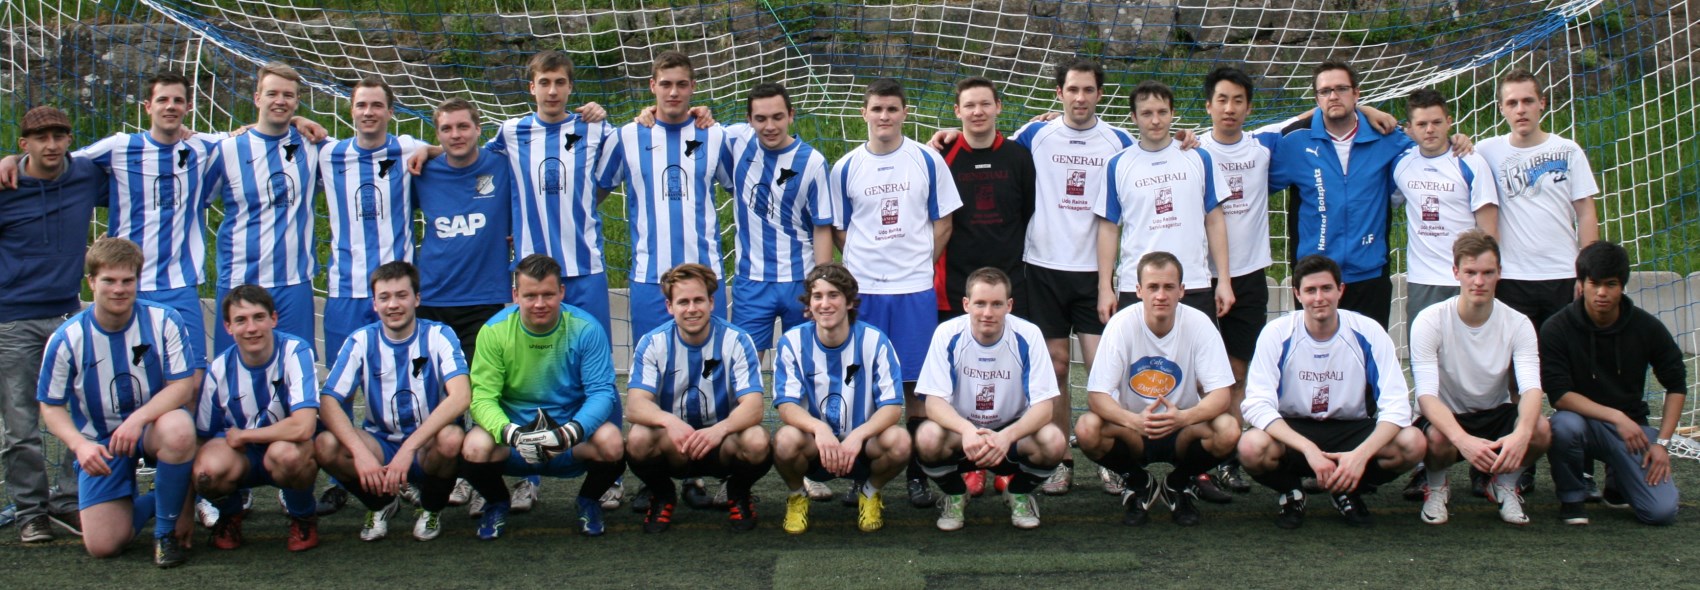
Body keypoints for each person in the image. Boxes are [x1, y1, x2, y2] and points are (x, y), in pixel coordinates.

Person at [828, 78, 963, 508]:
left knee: (915, 386)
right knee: (865, 384)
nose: (884, 116)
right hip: (865, 293)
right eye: (876, 109)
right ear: (864, 114)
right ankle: (862, 474)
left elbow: (943, 224)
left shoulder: (926, 161)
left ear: (905, 113)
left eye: (892, 109)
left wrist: (919, 265)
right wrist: (866, 267)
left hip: (914, 291)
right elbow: (839, 229)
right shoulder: (846, 167)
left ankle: (918, 475)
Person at [38, 238, 198, 567]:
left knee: (180, 427)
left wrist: (138, 419)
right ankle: (173, 495)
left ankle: (164, 534)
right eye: (109, 280)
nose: (119, 289)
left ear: (138, 282)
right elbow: (50, 406)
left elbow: (183, 385)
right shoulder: (67, 338)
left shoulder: (164, 320)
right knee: (103, 545)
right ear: (92, 282)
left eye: (128, 281)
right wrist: (80, 446)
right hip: (100, 443)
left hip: (152, 428)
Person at [1237, 255, 1425, 528]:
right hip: (1295, 431)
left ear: (1341, 290)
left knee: (1413, 442)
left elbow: (1397, 406)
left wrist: (1359, 456)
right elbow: (1256, 404)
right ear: (1297, 294)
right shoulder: (1276, 333)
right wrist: (1308, 449)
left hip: (1351, 429)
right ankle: (1292, 491)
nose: (1319, 297)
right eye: (1311, 290)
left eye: (1326, 289)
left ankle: (1348, 488)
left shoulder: (1368, 331)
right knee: (1251, 446)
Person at [456, 254, 625, 539]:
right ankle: (497, 502)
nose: (539, 304)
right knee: (473, 446)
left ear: (562, 291)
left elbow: (602, 393)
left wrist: (569, 433)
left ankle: (588, 501)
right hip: (514, 440)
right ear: (515, 295)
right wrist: (511, 434)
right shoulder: (494, 331)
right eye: (530, 295)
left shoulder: (585, 328)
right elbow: (482, 398)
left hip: (569, 438)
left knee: (612, 442)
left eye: (548, 294)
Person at [931, 76, 1038, 497]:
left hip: (1010, 282)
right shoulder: (942, 155)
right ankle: (968, 461)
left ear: (998, 108)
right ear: (957, 112)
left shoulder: (1018, 156)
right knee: (964, 379)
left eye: (985, 104)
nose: (977, 112)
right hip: (957, 283)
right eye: (969, 106)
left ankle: (1006, 463)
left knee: (1011, 376)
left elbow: (1030, 212)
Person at [1076, 253, 1239, 526]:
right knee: (1086, 428)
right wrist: (1134, 421)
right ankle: (1139, 481)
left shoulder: (1199, 324)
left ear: (1182, 291)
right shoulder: (1121, 324)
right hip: (1134, 430)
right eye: (1152, 287)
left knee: (1229, 429)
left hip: (1183, 428)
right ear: (1138, 290)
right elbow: (1097, 395)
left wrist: (1183, 418)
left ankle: (1178, 482)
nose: (1160, 295)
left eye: (1168, 287)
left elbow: (1222, 394)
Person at [316, 261, 471, 541]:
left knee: (451, 438)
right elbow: (328, 401)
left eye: (401, 295)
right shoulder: (361, 340)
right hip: (381, 444)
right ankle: (382, 504)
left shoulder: (439, 335)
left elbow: (461, 395)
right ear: (374, 304)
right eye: (384, 297)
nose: (393, 305)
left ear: (417, 299)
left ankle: (431, 508)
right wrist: (360, 452)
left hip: (426, 446)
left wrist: (410, 447)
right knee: (326, 445)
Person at [0, 105, 95, 543]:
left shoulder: (86, 175)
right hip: (12, 319)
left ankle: (70, 499)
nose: (51, 145)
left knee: (85, 410)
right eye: (41, 138)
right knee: (20, 424)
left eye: (59, 135)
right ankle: (30, 511)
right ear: (24, 145)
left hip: (68, 313)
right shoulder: (6, 184)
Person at [1410, 229, 1548, 525]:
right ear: (1456, 272)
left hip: (1495, 413)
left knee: (1541, 429)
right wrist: (1462, 440)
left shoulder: (1518, 323)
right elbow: (1426, 396)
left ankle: (1504, 483)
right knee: (1433, 439)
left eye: (1487, 272)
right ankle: (1436, 487)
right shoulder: (1430, 320)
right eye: (1471, 272)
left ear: (1500, 273)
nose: (1479, 281)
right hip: (1448, 418)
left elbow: (1531, 389)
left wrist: (1522, 433)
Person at [1540, 241, 1684, 526]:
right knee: (1562, 425)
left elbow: (1677, 384)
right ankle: (1572, 498)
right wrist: (1616, 416)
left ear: (1623, 286)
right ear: (1581, 283)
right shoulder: (1557, 327)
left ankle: (1617, 482)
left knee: (1661, 512)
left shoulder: (1647, 327)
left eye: (1611, 284)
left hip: (1632, 434)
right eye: (1594, 283)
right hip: (1582, 424)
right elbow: (1559, 395)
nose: (1602, 293)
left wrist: (1662, 443)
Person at [914, 267, 1065, 530]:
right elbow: (934, 402)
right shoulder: (947, 333)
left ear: (1009, 305)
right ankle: (955, 494)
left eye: (996, 304)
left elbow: (1044, 407)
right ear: (965, 304)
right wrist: (968, 431)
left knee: (1053, 441)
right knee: (926, 437)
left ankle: (1018, 493)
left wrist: (1007, 436)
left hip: (1012, 433)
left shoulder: (1028, 335)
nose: (987, 313)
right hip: (964, 433)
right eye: (980, 303)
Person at [624, 263, 771, 533]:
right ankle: (663, 494)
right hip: (675, 445)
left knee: (758, 440)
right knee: (638, 438)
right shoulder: (653, 342)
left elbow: (754, 407)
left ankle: (737, 493)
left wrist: (720, 430)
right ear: (669, 306)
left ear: (712, 302)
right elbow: (635, 405)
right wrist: (670, 422)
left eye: (698, 300)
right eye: (683, 302)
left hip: (721, 444)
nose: (692, 309)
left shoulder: (736, 340)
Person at [1270, 60, 1416, 328]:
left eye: (1341, 89)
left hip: (1369, 273)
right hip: (1316, 277)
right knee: (1317, 361)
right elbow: (1243, 155)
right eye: (1325, 91)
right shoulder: (1293, 141)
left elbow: (1431, 148)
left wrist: (1457, 142)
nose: (1333, 96)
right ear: (1316, 98)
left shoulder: (1386, 136)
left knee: (1367, 362)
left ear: (1357, 93)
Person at [599, 50, 732, 342]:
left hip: (706, 275)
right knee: (653, 366)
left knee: (712, 365)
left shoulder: (715, 136)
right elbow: (591, 195)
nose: (674, 92)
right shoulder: (627, 137)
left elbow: (741, 192)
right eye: (665, 84)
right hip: (650, 278)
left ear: (693, 87)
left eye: (682, 84)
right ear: (652, 86)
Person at [772, 262, 911, 533]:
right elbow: (786, 405)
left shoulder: (875, 341)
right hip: (816, 447)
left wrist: (858, 436)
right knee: (784, 440)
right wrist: (819, 428)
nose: (825, 304)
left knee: (900, 441)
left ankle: (870, 492)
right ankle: (797, 495)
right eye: (818, 296)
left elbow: (893, 407)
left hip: (862, 450)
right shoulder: (792, 342)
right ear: (808, 304)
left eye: (833, 295)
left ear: (849, 302)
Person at [1194, 66, 1277, 496]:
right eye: (1221, 99)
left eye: (1238, 100)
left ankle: (1228, 459)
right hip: (1198, 279)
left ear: (1248, 106)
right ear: (1208, 106)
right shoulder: (1190, 149)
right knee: (1200, 375)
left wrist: (1373, 111)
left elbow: (1318, 118)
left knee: (1238, 369)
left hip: (1249, 275)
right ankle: (1198, 459)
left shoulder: (1264, 147)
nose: (1229, 108)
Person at [205, 62, 324, 356]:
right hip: (239, 280)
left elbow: (365, 152)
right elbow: (194, 203)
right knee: (232, 371)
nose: (280, 101)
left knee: (296, 369)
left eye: (288, 95)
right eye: (272, 94)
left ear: (297, 102)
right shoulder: (226, 148)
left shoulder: (315, 146)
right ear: (257, 98)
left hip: (292, 281)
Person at [192, 284, 322, 551]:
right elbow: (201, 436)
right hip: (242, 456)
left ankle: (302, 515)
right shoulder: (218, 369)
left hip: (284, 449)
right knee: (205, 471)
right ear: (228, 327)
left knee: (288, 455)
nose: (251, 328)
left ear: (273, 319)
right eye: (241, 320)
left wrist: (246, 434)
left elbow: (304, 425)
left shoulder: (296, 352)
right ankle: (230, 514)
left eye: (258, 317)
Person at [1096, 81, 1231, 319]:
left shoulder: (1198, 157)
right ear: (1133, 118)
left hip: (1192, 282)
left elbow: (1215, 221)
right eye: (1147, 113)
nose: (1155, 120)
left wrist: (1224, 280)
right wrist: (1105, 288)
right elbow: (1108, 229)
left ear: (1172, 114)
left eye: (1162, 112)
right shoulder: (1117, 164)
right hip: (1137, 286)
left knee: (1195, 356)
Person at [1478, 69, 1600, 330]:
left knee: (1563, 361)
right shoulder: (1485, 151)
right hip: (1511, 277)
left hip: (1563, 275)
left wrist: (1588, 273)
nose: (1520, 109)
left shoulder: (1568, 150)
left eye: (1528, 101)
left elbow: (1586, 212)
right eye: (1512, 103)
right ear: (1501, 109)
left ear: (1542, 103)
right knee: (1516, 364)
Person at [318, 76, 427, 363]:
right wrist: (295, 122)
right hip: (346, 287)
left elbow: (455, 154)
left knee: (401, 374)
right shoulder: (329, 154)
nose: (369, 112)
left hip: (398, 290)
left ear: (391, 112)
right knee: (340, 378)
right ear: (351, 110)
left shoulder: (409, 149)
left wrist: (430, 149)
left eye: (377, 105)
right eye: (362, 105)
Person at [1393, 89, 1499, 329]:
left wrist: (1483, 275)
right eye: (1422, 124)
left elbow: (1489, 230)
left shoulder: (1471, 162)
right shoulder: (1401, 164)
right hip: (1422, 279)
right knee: (1425, 357)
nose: (1430, 129)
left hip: (1466, 278)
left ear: (1449, 122)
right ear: (1410, 128)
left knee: (1469, 357)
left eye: (1436, 122)